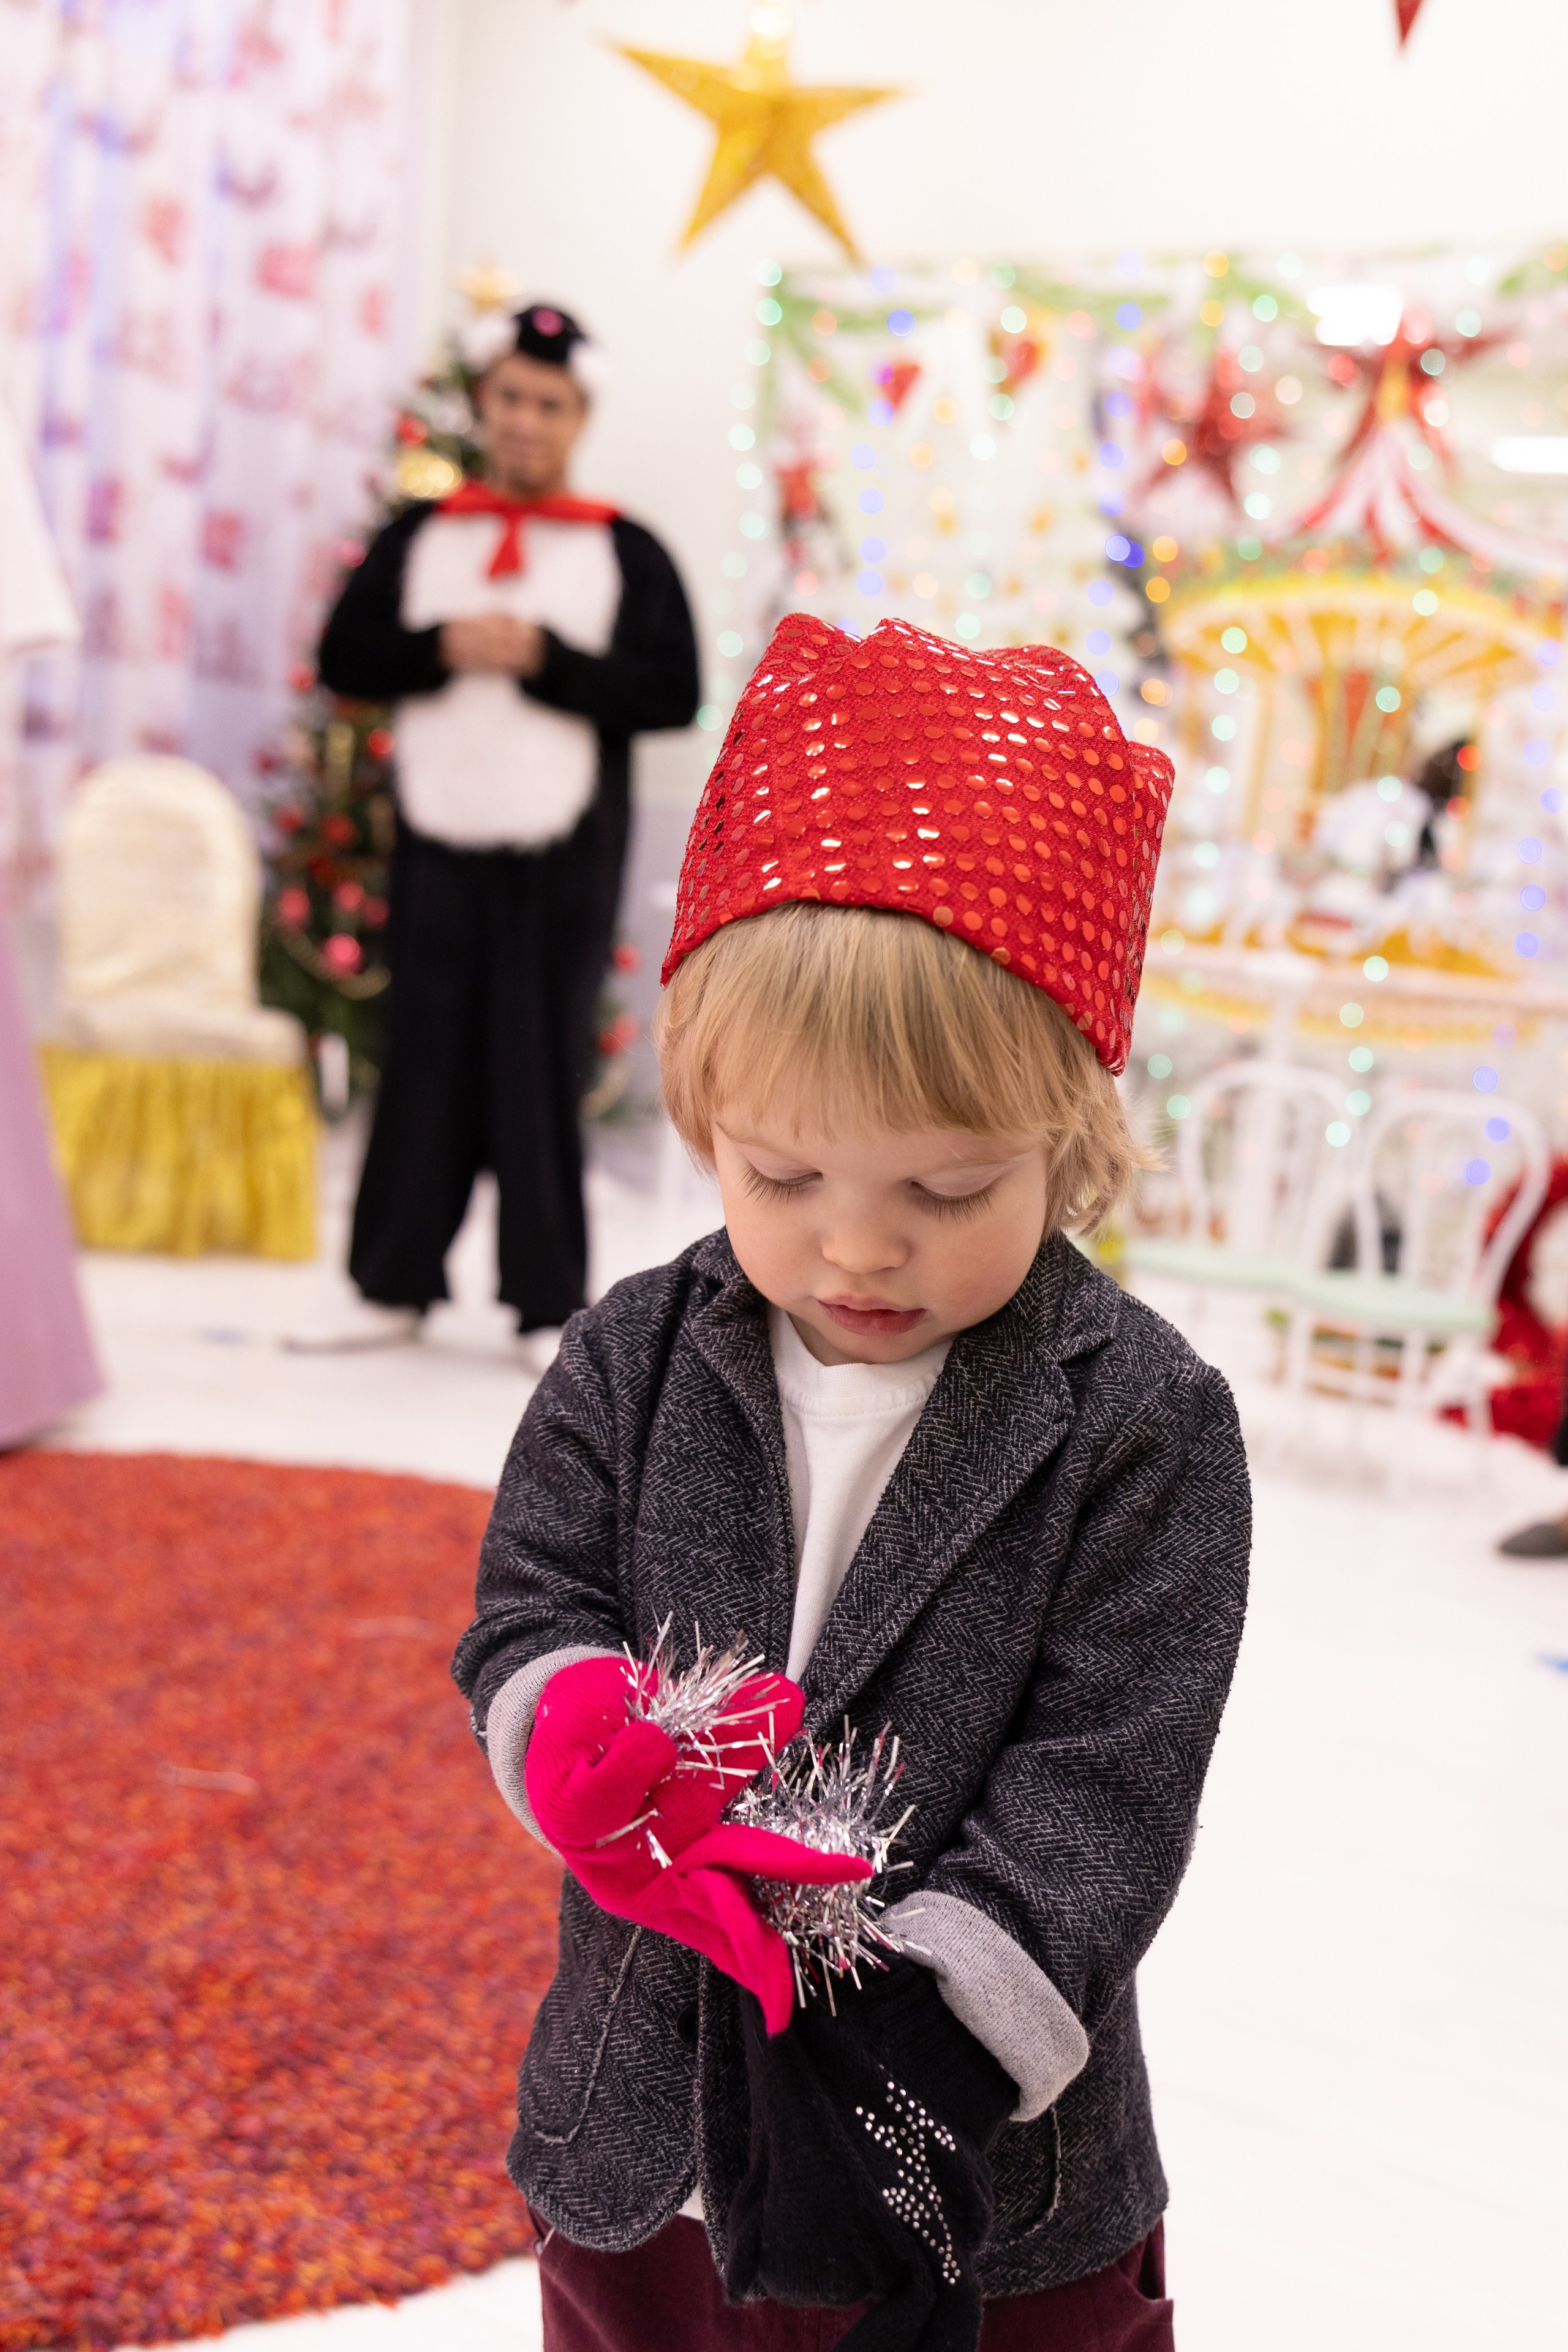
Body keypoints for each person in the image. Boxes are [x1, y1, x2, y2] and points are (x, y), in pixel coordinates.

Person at [452, 613, 1251, 2351]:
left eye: (949, 1190)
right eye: (784, 1174)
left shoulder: (1142, 1424)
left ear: (1070, 1137)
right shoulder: (630, 1356)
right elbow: (531, 1598)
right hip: (643, 2149)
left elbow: (1110, 1780)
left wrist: (926, 2040)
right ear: (704, 1120)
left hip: (979, 2174)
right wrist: (575, 1726)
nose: (858, 1245)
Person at [292, 304, 698, 1357]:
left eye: (548, 404)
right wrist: (439, 646)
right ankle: (389, 1285)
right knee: (419, 1059)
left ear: (580, 417)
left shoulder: (628, 549)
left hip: (566, 854)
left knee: (541, 1063)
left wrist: (547, 660)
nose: (525, 420)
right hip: (436, 842)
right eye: (511, 397)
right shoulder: (418, 536)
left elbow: (674, 691)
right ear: (484, 402)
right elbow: (344, 656)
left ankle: (545, 1302)